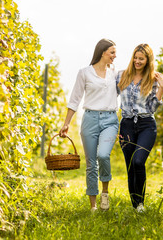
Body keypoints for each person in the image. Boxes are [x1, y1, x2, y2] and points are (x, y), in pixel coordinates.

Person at [59, 39, 118, 211]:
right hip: (90, 119)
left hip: (110, 120)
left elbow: (134, 77)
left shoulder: (115, 73)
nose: (115, 56)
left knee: (103, 155)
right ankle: (93, 206)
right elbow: (75, 99)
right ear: (102, 53)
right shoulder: (84, 73)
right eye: (112, 52)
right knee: (91, 163)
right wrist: (66, 123)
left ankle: (105, 194)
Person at [116, 44, 163, 212]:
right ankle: (135, 204)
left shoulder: (152, 79)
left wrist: (162, 88)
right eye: (135, 57)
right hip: (127, 125)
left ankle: (141, 203)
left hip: (146, 125)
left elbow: (152, 108)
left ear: (147, 61)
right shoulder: (121, 76)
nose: (137, 61)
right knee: (130, 165)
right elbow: (109, 95)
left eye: (141, 59)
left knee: (138, 161)